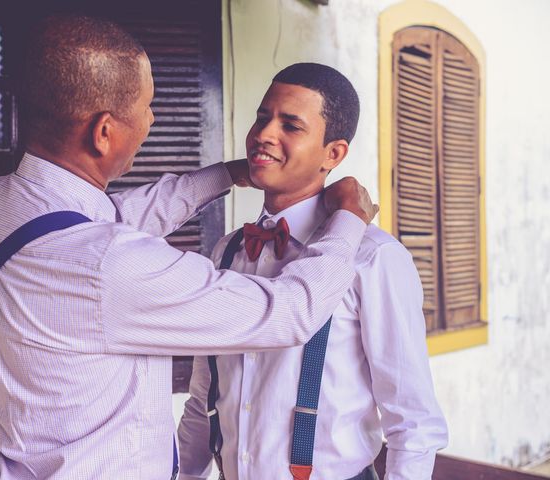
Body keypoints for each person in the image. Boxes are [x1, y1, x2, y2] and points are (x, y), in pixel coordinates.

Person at [0, 17, 377, 480]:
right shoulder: (108, 264)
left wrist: (225, 174)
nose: (153, 120)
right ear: (103, 133)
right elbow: (289, 312)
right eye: (147, 107)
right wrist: (349, 218)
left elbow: (101, 221)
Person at [178, 63, 448, 480]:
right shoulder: (226, 251)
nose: (264, 134)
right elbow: (203, 399)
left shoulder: (374, 258)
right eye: (262, 117)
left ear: (333, 154)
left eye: (291, 125)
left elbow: (412, 421)